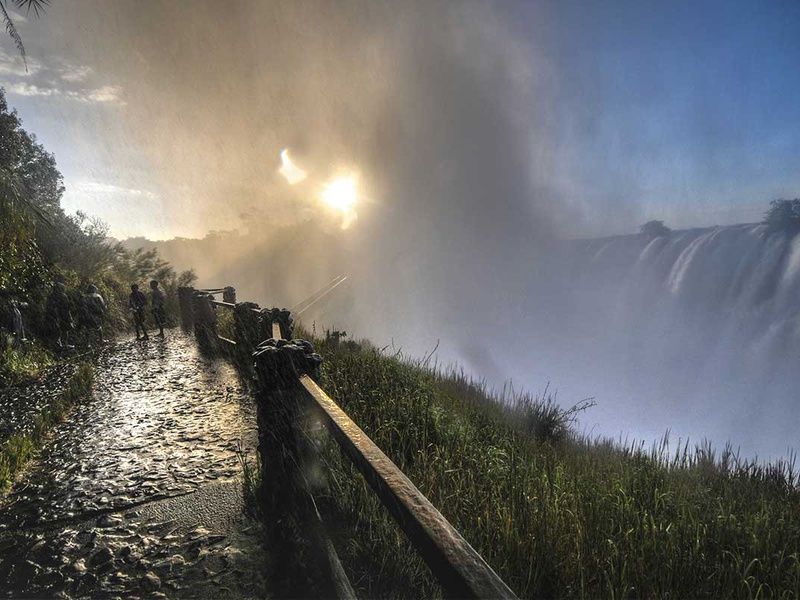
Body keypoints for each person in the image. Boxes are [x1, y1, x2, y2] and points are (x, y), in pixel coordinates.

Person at [46, 282, 74, 350]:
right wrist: (69, 318)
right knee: (63, 330)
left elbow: (48, 307)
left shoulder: (51, 296)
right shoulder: (63, 296)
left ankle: (58, 345)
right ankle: (63, 345)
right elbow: (67, 308)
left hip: (53, 316)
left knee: (57, 331)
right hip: (61, 316)